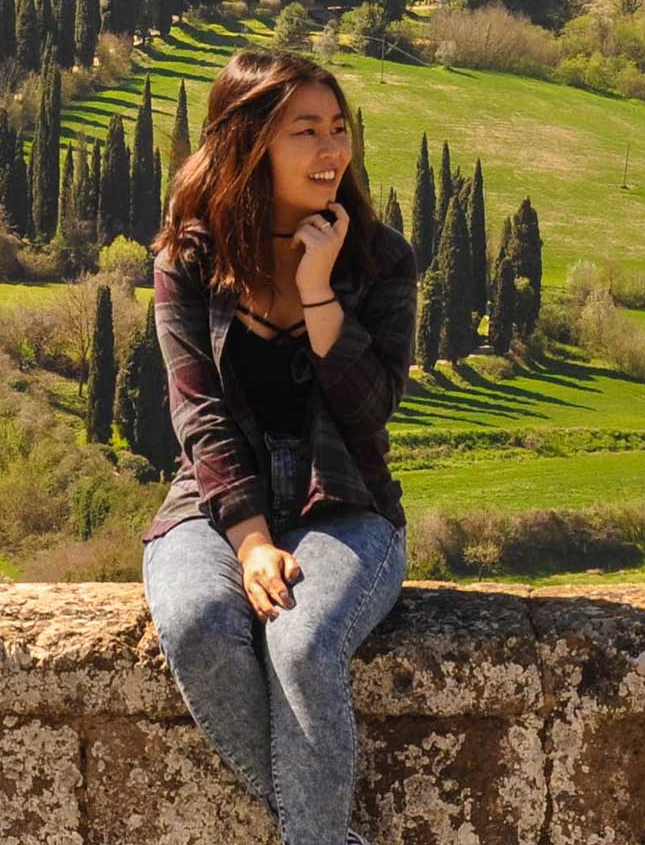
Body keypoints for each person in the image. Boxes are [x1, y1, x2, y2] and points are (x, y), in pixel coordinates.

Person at [141, 49, 420, 845]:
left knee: (301, 645)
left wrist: (318, 288)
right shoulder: (188, 260)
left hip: (348, 501)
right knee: (196, 623)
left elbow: (371, 411)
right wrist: (253, 541)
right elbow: (199, 416)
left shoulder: (380, 258)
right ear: (250, 142)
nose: (333, 151)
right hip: (216, 498)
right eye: (307, 131)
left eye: (340, 129)